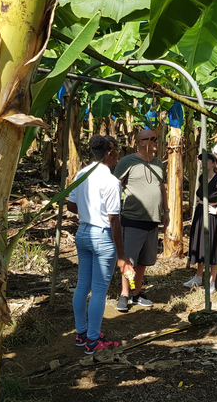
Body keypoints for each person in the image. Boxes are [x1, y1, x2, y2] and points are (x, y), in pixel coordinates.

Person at [67, 135, 131, 354]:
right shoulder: (111, 182)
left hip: (83, 231)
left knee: (83, 284)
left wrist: (88, 210)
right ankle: (93, 340)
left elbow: (71, 205)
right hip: (102, 235)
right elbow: (114, 220)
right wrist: (121, 255)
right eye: (117, 151)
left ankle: (81, 333)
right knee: (99, 290)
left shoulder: (82, 173)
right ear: (109, 154)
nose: (118, 155)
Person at [114, 128, 168, 312]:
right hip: (132, 218)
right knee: (129, 259)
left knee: (144, 260)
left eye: (156, 139)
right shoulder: (127, 162)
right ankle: (124, 293)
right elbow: (115, 186)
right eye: (152, 139)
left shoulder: (159, 164)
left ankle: (136, 293)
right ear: (141, 142)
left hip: (152, 219)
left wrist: (166, 211)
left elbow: (162, 189)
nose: (156, 142)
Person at [183, 152, 217, 292]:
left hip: (211, 217)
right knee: (200, 245)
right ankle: (198, 277)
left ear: (213, 163)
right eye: (200, 160)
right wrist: (199, 202)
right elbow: (200, 193)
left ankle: (211, 281)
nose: (201, 163)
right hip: (200, 213)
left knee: (211, 247)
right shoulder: (202, 177)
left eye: (204, 160)